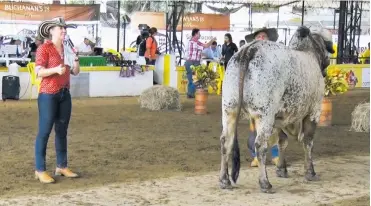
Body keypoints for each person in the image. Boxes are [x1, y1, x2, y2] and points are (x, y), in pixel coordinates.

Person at [34, 17, 80, 183]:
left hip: (64, 94)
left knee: (62, 131)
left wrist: (76, 61)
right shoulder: (44, 48)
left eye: (64, 28)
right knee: (44, 132)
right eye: (60, 28)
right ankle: (40, 169)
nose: (63, 30)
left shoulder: (67, 49)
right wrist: (55, 70)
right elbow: (38, 72)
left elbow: (75, 72)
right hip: (48, 94)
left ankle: (61, 166)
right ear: (51, 30)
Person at [244, 27, 285, 167]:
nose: (261, 38)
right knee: (254, 130)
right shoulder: (248, 57)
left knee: (273, 128)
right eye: (259, 36)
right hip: (254, 99)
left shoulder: (276, 56)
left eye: (264, 36)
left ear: (269, 40)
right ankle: (256, 156)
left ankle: (275, 156)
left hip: (273, 99)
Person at [184, 28, 216, 98]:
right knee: (196, 79)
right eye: (199, 33)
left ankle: (190, 94)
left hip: (189, 62)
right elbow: (206, 46)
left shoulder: (190, 42)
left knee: (191, 79)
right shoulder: (195, 43)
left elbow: (201, 49)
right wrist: (212, 40)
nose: (200, 35)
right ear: (195, 34)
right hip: (194, 62)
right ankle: (191, 93)